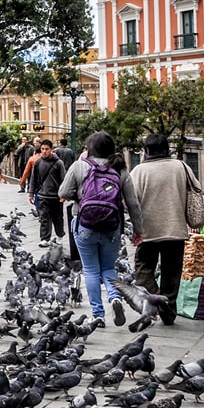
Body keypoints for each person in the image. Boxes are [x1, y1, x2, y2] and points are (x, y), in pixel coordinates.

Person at [58, 131, 144, 324]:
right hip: (112, 227)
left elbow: (62, 192)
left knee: (90, 270)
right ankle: (115, 297)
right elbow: (133, 204)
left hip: (84, 225)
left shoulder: (80, 166)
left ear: (90, 148)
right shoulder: (120, 169)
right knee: (108, 267)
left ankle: (98, 314)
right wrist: (138, 230)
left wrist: (81, 197)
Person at [130, 133, 201, 326]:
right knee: (171, 272)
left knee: (143, 269)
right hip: (176, 229)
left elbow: (130, 202)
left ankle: (160, 303)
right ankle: (168, 311)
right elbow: (196, 188)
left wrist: (134, 228)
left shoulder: (139, 171)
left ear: (147, 150)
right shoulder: (181, 166)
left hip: (148, 232)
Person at [28, 139, 66, 247]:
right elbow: (33, 179)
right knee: (44, 217)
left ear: (52, 150)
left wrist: (63, 194)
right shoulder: (38, 162)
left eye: (47, 149)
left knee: (57, 217)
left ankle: (59, 236)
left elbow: (63, 179)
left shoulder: (58, 163)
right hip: (42, 195)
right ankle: (45, 238)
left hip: (56, 196)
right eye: (42, 149)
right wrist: (31, 193)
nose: (44, 151)